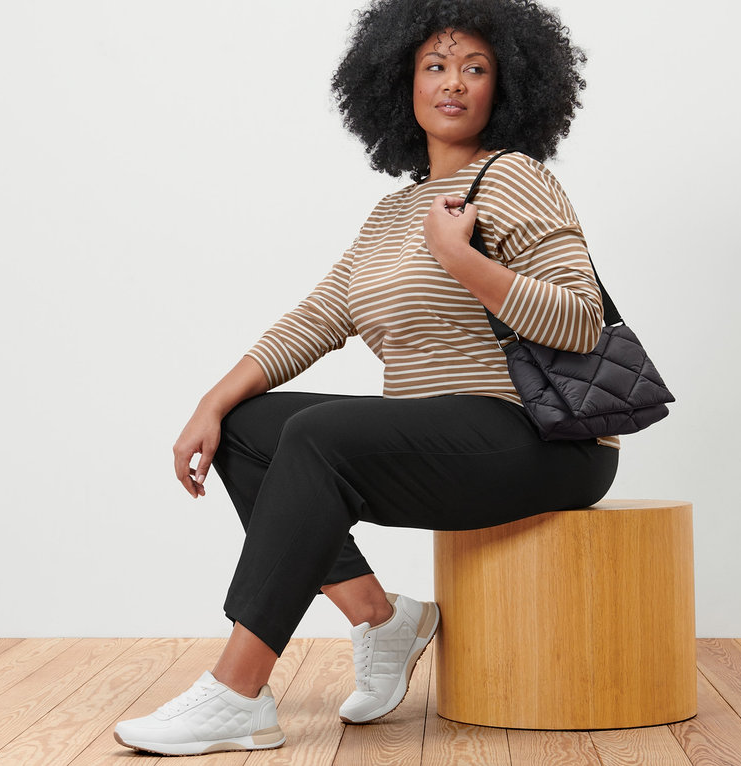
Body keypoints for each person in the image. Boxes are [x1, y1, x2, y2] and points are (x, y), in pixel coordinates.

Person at [114, 0, 619, 756]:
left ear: (506, 87)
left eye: (476, 68)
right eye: (436, 67)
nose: (454, 83)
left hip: (545, 439)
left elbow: (582, 320)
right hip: (446, 439)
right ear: (400, 85)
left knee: (319, 436)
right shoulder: (390, 215)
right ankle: (382, 621)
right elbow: (317, 318)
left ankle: (235, 693)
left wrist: (466, 263)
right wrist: (211, 403)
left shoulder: (515, 179)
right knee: (252, 430)